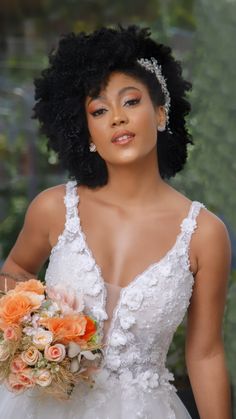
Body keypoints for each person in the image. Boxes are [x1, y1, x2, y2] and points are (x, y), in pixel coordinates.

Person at [0, 25, 232, 418]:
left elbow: (206, 353)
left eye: (131, 101)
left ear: (161, 113)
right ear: (87, 131)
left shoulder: (205, 234)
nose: (117, 119)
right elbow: (15, 271)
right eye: (99, 110)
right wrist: (34, 326)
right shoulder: (53, 208)